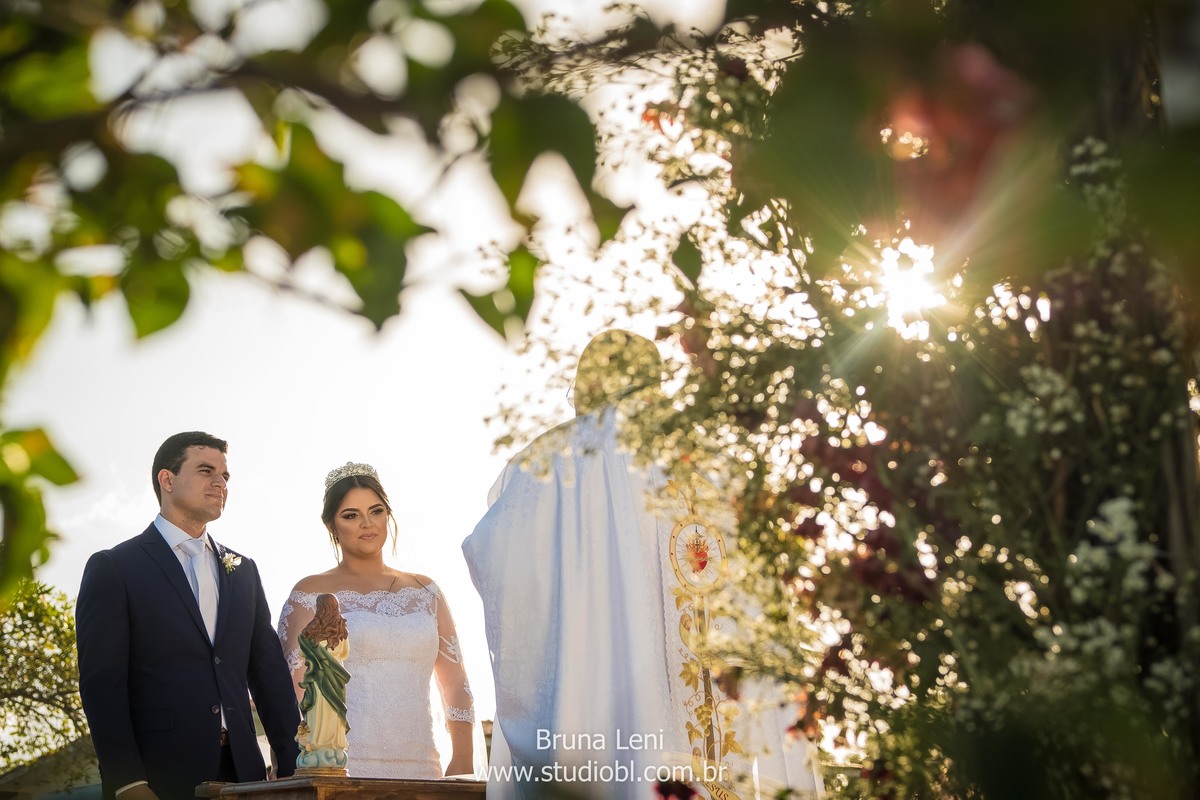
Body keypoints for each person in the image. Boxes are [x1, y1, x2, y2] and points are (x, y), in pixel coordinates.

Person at [462, 330, 824, 799]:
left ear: (588, 382)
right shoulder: (710, 460)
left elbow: (494, 555)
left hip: (607, 716)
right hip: (710, 726)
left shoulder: (551, 459)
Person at [76, 431, 301, 800]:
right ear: (167, 479)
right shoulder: (115, 568)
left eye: (225, 476)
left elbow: (269, 679)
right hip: (160, 776)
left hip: (246, 773)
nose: (220, 483)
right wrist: (126, 782)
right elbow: (102, 685)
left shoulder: (243, 571)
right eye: (206, 471)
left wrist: (295, 771)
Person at [277, 462, 477, 779]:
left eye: (376, 511)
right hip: (341, 770)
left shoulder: (426, 591)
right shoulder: (308, 593)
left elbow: (455, 682)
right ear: (332, 526)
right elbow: (290, 690)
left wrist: (463, 759)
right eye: (351, 515)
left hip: (424, 771)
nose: (367, 524)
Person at [295, 593, 351, 769]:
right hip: (335, 679)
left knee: (318, 710)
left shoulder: (311, 630)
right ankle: (331, 742)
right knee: (334, 710)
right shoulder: (341, 630)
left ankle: (317, 740)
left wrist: (319, 657)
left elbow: (302, 652)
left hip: (317, 678)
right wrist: (331, 657)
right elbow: (344, 653)